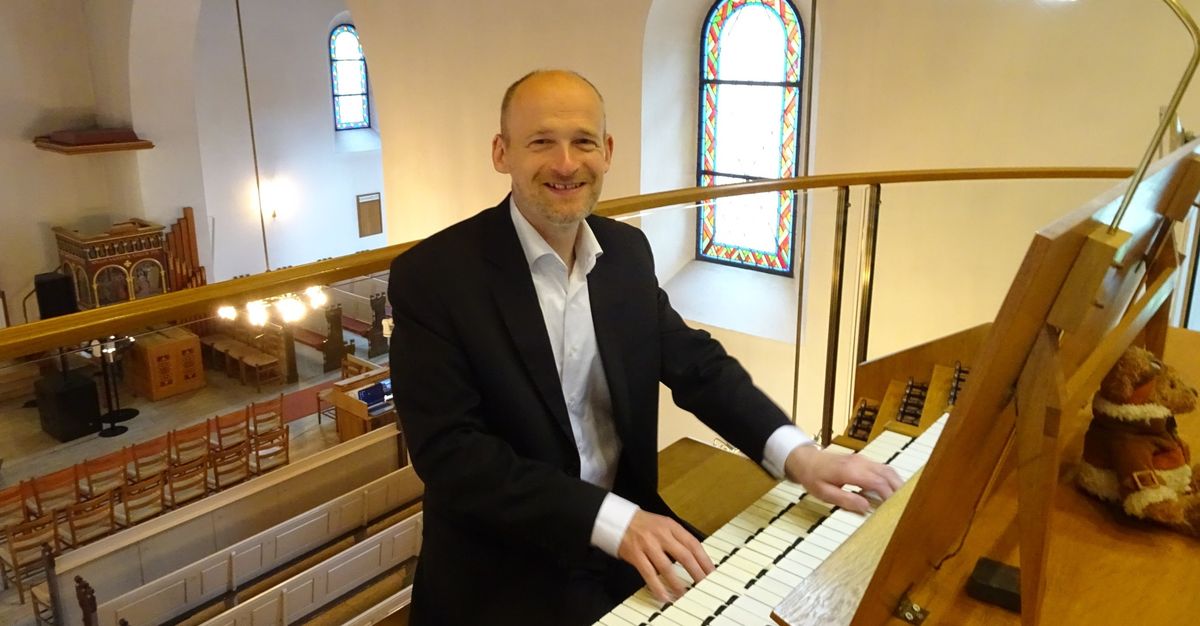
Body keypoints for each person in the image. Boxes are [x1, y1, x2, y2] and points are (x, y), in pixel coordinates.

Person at [388, 69, 902, 626]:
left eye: (583, 141)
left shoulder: (626, 253)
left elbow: (697, 366)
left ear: (606, 152)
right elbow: (452, 455)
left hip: (624, 536)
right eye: (541, 142)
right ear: (501, 152)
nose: (565, 164)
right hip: (501, 566)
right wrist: (613, 521)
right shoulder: (434, 276)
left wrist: (798, 454)